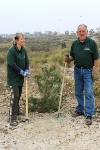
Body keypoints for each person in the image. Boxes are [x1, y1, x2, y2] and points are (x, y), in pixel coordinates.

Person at [65, 24, 99, 125]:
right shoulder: (74, 44)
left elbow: (96, 58)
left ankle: (89, 114)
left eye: (83, 31)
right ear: (77, 32)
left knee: (88, 92)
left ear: (87, 32)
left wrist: (95, 71)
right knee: (78, 91)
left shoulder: (92, 43)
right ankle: (80, 109)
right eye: (79, 31)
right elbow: (73, 56)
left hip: (88, 71)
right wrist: (69, 59)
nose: (81, 33)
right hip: (77, 70)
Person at [7, 33, 30, 126]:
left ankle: (17, 111)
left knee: (18, 95)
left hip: (20, 77)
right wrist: (21, 71)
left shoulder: (23, 50)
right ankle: (12, 118)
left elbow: (27, 62)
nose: (23, 40)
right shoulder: (12, 50)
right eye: (21, 39)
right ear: (16, 40)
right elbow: (11, 64)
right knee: (14, 96)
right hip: (13, 78)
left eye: (24, 38)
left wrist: (27, 70)